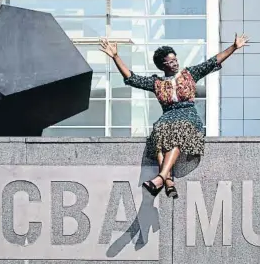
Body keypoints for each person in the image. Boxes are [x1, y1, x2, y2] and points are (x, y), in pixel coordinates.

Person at [99, 33, 249, 199]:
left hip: (188, 116)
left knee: (178, 130)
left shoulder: (189, 74)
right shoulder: (157, 83)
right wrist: (115, 56)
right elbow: (131, 78)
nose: (175, 63)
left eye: (175, 59)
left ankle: (162, 178)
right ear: (162, 66)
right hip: (168, 115)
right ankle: (167, 181)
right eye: (170, 61)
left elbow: (213, 61)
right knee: (160, 129)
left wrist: (234, 47)